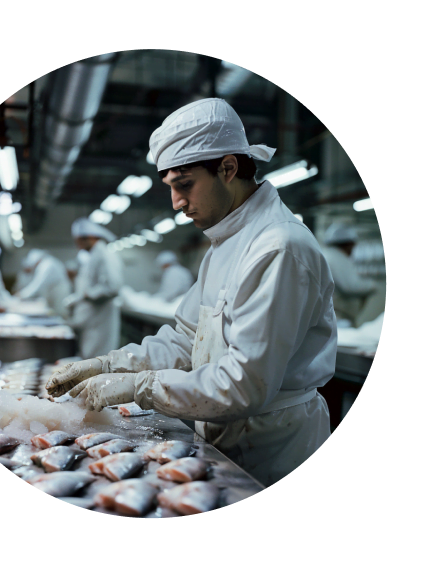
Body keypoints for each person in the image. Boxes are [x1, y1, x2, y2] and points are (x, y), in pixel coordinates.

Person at [45, 98, 338, 499]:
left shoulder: (278, 248)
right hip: (228, 439)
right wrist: (109, 363)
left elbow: (245, 385)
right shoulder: (224, 242)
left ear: (228, 168)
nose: (177, 203)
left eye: (184, 185)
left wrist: (139, 387)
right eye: (171, 188)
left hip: (276, 449)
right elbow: (185, 340)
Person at [63, 218, 123, 359]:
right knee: (89, 360)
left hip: (100, 321)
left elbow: (113, 287)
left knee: (97, 360)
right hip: (92, 321)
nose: (78, 245)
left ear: (89, 237)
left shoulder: (104, 254)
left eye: (78, 241)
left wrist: (87, 294)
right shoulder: (93, 255)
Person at [321, 222, 377, 327]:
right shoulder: (336, 258)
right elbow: (352, 286)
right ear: (347, 244)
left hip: (329, 315)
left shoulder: (327, 255)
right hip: (337, 318)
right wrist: (372, 285)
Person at [13, 249, 72, 317]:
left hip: (59, 296)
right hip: (53, 296)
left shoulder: (47, 265)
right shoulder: (47, 263)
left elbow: (37, 285)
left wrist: (21, 295)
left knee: (60, 315)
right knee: (55, 315)